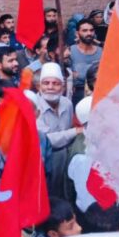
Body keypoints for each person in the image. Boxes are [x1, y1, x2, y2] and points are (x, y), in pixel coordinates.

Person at [36, 62, 80, 198]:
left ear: (62, 86)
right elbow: (46, 140)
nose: (50, 87)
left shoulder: (66, 103)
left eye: (55, 83)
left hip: (66, 159)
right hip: (45, 163)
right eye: (46, 83)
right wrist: (75, 132)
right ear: (39, 86)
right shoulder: (33, 107)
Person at [69, 19, 102, 105]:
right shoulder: (70, 51)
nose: (89, 33)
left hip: (98, 94)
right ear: (77, 33)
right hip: (76, 95)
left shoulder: (102, 52)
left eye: (91, 30)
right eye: (85, 31)